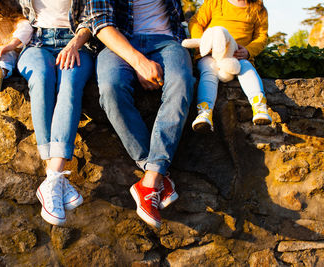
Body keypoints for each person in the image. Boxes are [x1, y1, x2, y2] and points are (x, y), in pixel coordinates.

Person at [87, 0, 196, 228]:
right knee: (110, 88)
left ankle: (150, 180)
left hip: (167, 41)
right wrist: (139, 62)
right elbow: (100, 23)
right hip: (118, 42)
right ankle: (156, 171)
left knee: (181, 82)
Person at [17, 0, 94, 225]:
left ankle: (53, 177)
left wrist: (75, 44)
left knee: (69, 84)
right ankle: (56, 180)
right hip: (36, 44)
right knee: (41, 78)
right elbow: (11, 16)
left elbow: (93, 18)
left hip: (77, 42)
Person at [189, 0, 272, 133]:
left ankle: (259, 106)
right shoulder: (215, 2)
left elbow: (261, 37)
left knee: (247, 69)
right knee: (209, 70)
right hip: (211, 55)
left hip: (238, 57)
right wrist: (204, 43)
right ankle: (204, 112)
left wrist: (248, 51)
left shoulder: (258, 8)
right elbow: (196, 22)